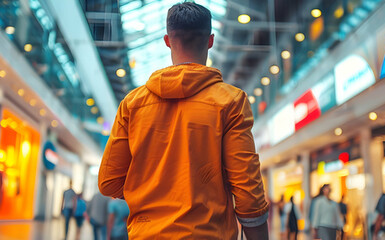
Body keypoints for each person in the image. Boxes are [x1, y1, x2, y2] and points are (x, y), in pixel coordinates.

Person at [98, 2, 268, 239]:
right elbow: (247, 188)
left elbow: (109, 181)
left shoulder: (132, 104)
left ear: (167, 40)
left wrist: (150, 189)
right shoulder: (230, 101)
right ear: (210, 40)